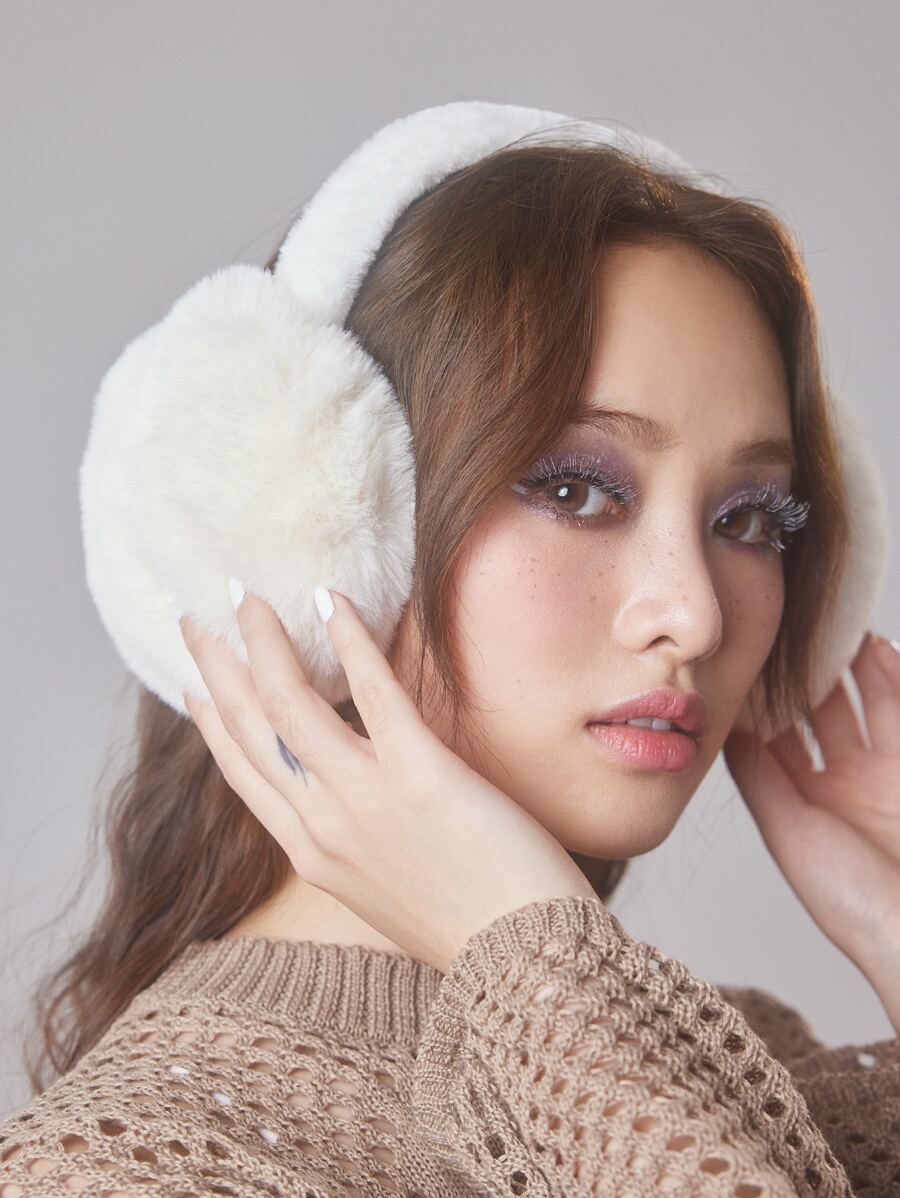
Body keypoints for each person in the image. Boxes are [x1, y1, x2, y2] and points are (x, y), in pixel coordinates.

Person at [2, 108, 898, 1198]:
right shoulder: (116, 1171)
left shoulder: (746, 1075)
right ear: (323, 528)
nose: (699, 616)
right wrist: (532, 965)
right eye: (578, 489)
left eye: (749, 518)